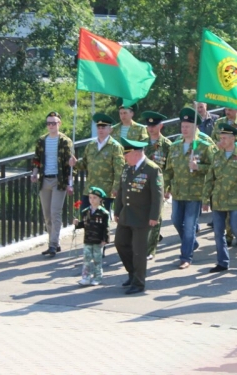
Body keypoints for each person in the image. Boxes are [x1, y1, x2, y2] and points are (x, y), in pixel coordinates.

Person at [164, 108, 216, 269]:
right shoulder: (175, 145)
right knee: (176, 220)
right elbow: (169, 169)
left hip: (195, 192)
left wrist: (198, 166)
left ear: (195, 127)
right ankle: (191, 243)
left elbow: (216, 167)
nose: (184, 129)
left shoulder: (205, 145)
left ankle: (185, 256)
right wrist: (166, 187)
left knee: (189, 225)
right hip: (178, 191)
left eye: (188, 126)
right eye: (182, 126)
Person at [202, 123, 237, 272]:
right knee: (218, 232)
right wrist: (206, 199)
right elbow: (210, 178)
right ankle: (222, 262)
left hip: (236, 200)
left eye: (225, 138)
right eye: (220, 138)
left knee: (236, 228)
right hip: (218, 200)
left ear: (233, 138)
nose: (222, 141)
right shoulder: (217, 155)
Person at [114, 138, 163, 295]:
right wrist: (117, 211)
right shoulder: (127, 168)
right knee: (120, 243)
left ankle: (139, 282)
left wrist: (154, 216)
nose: (124, 157)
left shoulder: (152, 169)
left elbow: (157, 195)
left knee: (139, 251)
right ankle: (132, 273)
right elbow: (121, 190)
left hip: (143, 217)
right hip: (126, 215)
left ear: (135, 153)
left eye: (126, 154)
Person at [69, 113, 125, 241]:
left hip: (105, 190)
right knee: (86, 215)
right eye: (99, 127)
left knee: (101, 218)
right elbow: (84, 164)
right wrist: (75, 163)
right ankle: (91, 242)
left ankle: (101, 244)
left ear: (110, 129)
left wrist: (116, 187)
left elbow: (119, 170)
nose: (100, 130)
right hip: (90, 189)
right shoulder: (91, 145)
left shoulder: (115, 147)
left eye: (103, 127)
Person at [31, 111, 74, 257]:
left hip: (59, 180)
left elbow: (70, 164)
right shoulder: (41, 140)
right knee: (47, 215)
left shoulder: (65, 141)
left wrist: (70, 183)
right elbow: (37, 158)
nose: (51, 126)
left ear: (59, 124)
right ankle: (54, 241)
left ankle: (53, 245)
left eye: (54, 123)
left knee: (55, 212)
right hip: (44, 180)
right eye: (49, 123)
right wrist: (34, 172)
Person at [140, 111, 172, 261]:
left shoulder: (167, 145)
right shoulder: (142, 144)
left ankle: (150, 250)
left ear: (161, 126)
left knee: (156, 217)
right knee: (144, 216)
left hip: (159, 185)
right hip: (143, 185)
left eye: (154, 125)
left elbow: (170, 168)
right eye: (148, 125)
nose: (151, 128)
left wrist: (168, 189)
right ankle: (144, 244)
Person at [73, 187, 111, 286]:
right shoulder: (86, 211)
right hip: (88, 239)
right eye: (90, 197)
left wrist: (105, 239)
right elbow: (84, 224)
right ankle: (86, 277)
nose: (92, 200)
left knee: (97, 260)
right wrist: (77, 224)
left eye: (95, 198)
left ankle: (97, 277)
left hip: (98, 240)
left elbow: (106, 227)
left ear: (100, 200)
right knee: (86, 258)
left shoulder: (103, 213)